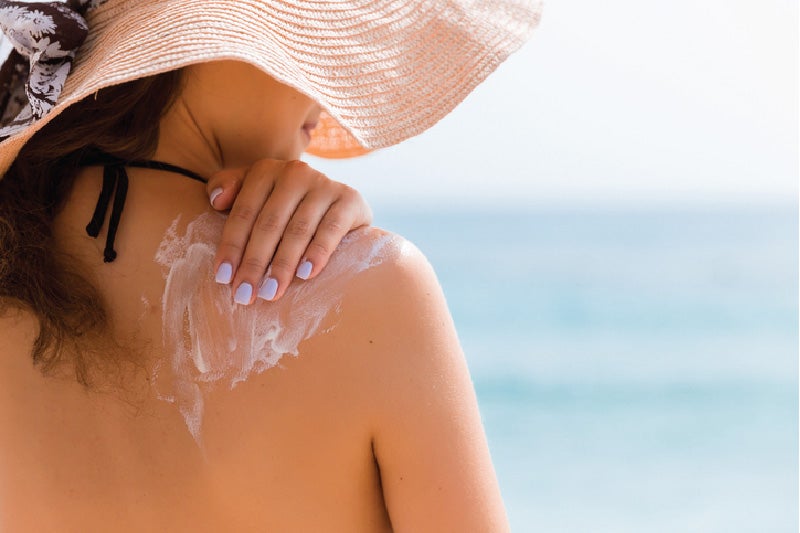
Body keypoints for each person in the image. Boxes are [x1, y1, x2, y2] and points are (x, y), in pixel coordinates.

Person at [0, 1, 542, 531]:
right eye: (305, 41)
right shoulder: (370, 289)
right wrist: (359, 260)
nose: (324, 101)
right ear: (215, 37)